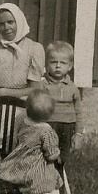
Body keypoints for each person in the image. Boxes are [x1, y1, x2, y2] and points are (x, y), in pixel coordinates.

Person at [0, 90, 64, 194]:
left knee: (55, 181)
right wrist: (57, 152)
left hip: (21, 162)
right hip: (36, 167)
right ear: (50, 115)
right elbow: (50, 156)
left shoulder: (25, 123)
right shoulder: (47, 132)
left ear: (27, 110)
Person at [0, 3, 45, 100]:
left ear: (19, 21)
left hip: (22, 102)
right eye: (1, 24)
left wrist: (3, 92)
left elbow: (35, 90)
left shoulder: (34, 48)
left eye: (10, 22)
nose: (6, 27)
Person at [41, 41, 83, 176]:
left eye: (63, 63)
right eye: (53, 62)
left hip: (67, 127)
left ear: (70, 66)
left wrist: (78, 133)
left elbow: (79, 112)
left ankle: (59, 185)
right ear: (47, 64)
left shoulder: (72, 87)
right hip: (49, 126)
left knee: (62, 158)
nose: (58, 66)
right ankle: (46, 183)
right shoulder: (43, 86)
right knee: (48, 156)